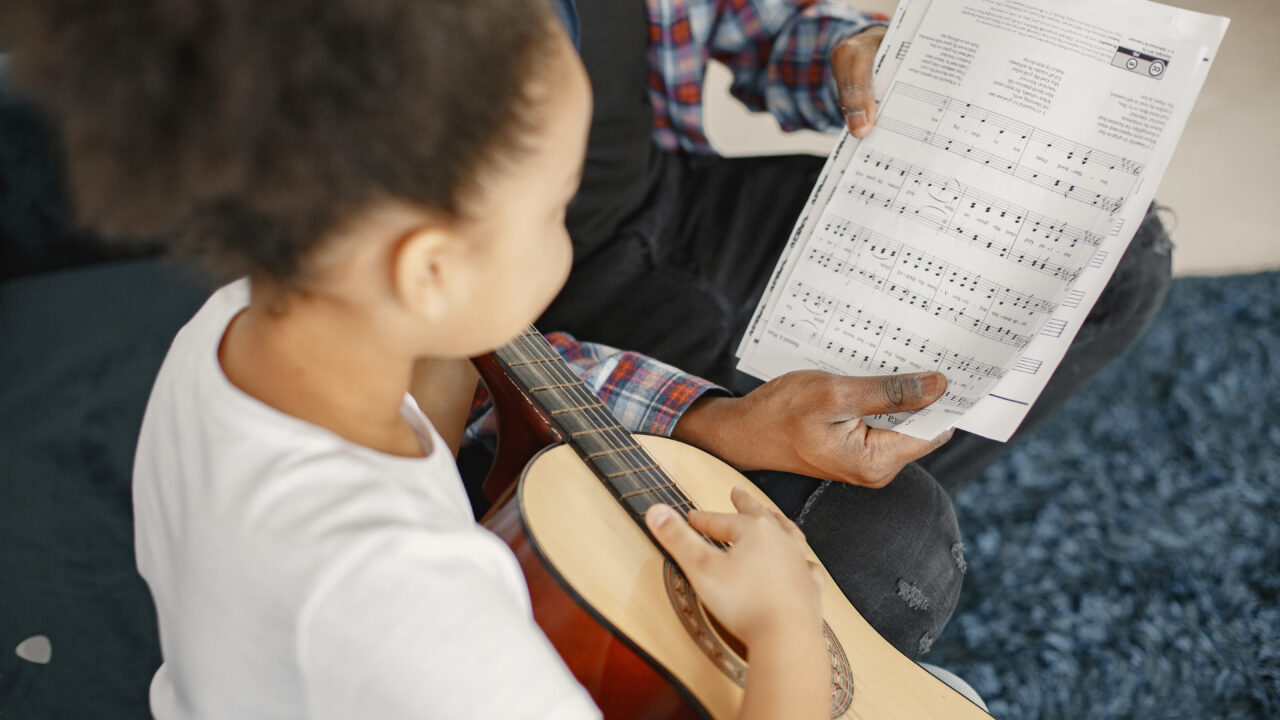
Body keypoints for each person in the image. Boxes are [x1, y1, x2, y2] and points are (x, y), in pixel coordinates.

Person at [6, 0, 970, 716]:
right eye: (555, 210)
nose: (567, 244)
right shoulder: (430, 620)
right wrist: (785, 628)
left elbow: (500, 355)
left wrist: (715, 420)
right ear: (428, 270)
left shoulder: (229, 330)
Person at [540, 0, 1174, 497]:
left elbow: (760, 23)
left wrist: (868, 57)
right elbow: (450, 376)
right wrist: (707, 422)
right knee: (898, 556)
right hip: (550, 323)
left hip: (678, 197)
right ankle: (841, 533)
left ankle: (841, 510)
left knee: (1112, 262)